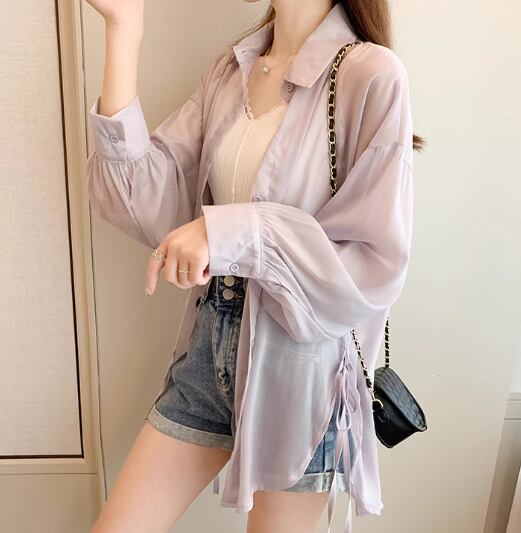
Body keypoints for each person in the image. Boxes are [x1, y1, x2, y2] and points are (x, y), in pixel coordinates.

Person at [85, 0, 424, 531]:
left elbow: (372, 264)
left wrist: (228, 231)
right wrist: (123, 27)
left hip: (303, 371)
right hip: (208, 347)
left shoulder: (371, 75)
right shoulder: (231, 71)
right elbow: (141, 198)